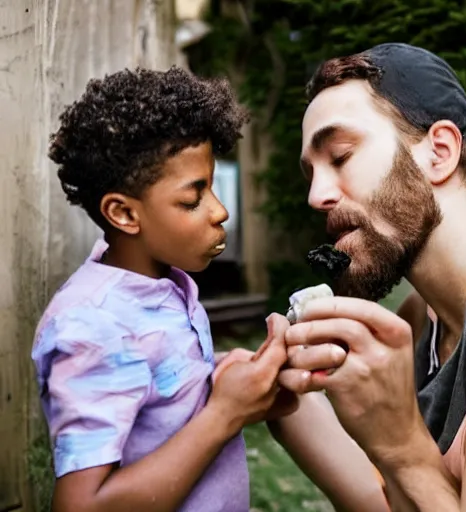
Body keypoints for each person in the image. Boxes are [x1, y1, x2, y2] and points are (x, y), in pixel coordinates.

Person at [31, 66, 296, 512]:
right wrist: (224, 414)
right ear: (124, 214)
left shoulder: (165, 287)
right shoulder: (92, 323)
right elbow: (81, 506)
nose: (220, 211)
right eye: (193, 199)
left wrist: (227, 385)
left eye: (212, 188)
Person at [269, 43, 466, 511]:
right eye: (311, 174)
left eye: (339, 156)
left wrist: (403, 445)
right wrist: (289, 400)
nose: (317, 195)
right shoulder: (421, 319)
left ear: (439, 152)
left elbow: (405, 465)